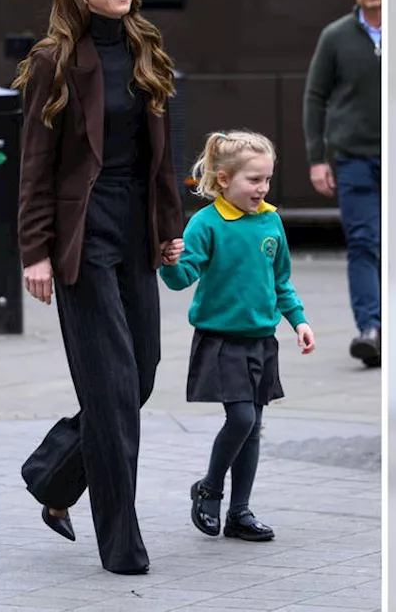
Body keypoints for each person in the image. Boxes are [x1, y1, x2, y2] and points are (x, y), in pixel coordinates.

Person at [14, 0, 184, 575]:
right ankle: (122, 544)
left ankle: (53, 474)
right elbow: (34, 167)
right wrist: (35, 251)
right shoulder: (55, 61)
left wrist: (170, 227)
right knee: (111, 393)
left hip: (134, 228)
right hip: (80, 239)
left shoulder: (147, 49)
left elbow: (161, 158)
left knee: (138, 375)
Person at [160, 130, 316, 543]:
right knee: (242, 418)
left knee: (254, 425)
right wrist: (169, 261)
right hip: (221, 339)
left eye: (267, 179)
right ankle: (210, 487)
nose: (262, 188)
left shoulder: (271, 220)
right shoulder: (206, 223)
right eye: (253, 180)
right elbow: (181, 278)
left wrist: (298, 321)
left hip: (262, 340)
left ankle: (239, 512)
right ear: (225, 180)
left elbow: (280, 279)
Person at [302, 0, 382, 368]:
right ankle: (370, 328)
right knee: (364, 242)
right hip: (355, 158)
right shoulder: (335, 37)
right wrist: (318, 158)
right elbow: (315, 96)